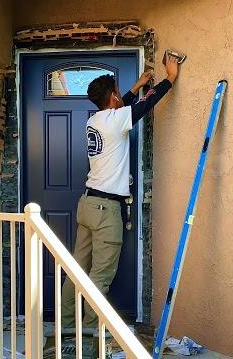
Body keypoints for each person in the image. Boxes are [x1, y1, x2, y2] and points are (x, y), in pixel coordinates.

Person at [60, 54, 180, 329]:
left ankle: (66, 328)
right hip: (105, 211)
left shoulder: (95, 121)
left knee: (77, 270)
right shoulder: (116, 119)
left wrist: (136, 85)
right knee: (100, 275)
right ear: (113, 97)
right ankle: (90, 337)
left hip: (88, 204)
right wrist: (170, 78)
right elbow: (146, 105)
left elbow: (123, 108)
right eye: (117, 92)